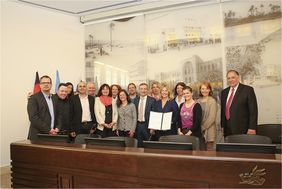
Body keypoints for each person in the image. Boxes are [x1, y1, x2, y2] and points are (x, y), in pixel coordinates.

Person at [221, 70, 258, 137]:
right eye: (228, 78)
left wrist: (252, 127)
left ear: (238, 78)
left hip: (242, 128)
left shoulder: (248, 90)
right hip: (227, 128)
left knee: (242, 147)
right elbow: (223, 110)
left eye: (233, 77)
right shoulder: (224, 92)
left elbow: (253, 110)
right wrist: (223, 126)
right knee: (228, 147)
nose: (230, 80)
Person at [27, 75, 62, 140]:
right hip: (38, 136)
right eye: (43, 83)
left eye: (48, 83)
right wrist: (48, 130)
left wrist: (58, 127)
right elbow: (33, 117)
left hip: (53, 135)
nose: (46, 84)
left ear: (51, 85)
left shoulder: (55, 98)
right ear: (40, 85)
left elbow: (59, 115)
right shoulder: (33, 98)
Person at [134, 83, 156, 147]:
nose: (143, 91)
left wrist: (153, 127)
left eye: (145, 89)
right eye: (141, 89)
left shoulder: (152, 100)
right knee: (139, 144)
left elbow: (154, 114)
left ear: (148, 90)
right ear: (139, 90)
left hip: (148, 126)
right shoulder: (136, 100)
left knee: (149, 144)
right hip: (138, 125)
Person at [197, 82, 217, 151]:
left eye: (206, 89)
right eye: (202, 89)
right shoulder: (197, 101)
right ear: (200, 90)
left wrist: (201, 128)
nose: (204, 91)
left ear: (209, 90)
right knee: (200, 152)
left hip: (209, 131)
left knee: (209, 152)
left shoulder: (212, 101)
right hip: (199, 132)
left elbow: (212, 118)